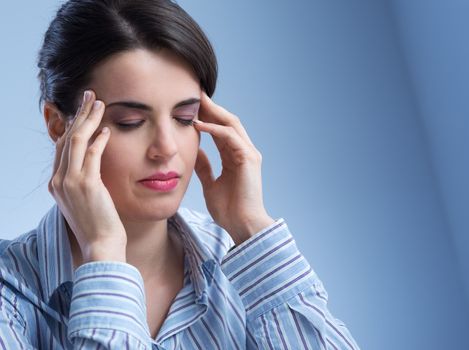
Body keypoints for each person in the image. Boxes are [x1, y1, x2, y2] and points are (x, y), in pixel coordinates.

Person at [0, 0, 361, 349]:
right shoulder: (12, 291)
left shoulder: (240, 262)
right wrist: (105, 254)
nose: (167, 147)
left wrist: (250, 227)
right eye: (131, 122)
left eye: (185, 118)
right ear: (59, 125)